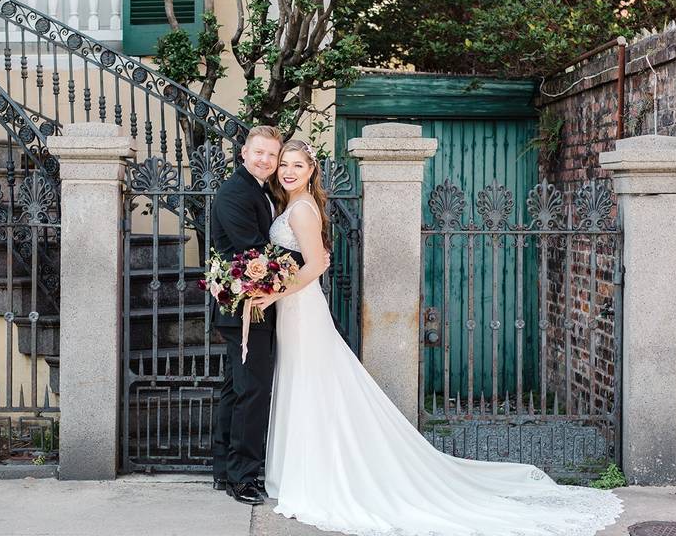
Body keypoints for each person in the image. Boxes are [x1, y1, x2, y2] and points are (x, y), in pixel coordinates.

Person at [249, 139, 624, 536]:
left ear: (311, 170)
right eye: (284, 164)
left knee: (312, 385)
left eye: (297, 165)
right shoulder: (289, 205)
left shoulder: (303, 210)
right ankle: (303, 468)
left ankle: (317, 475)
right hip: (293, 311)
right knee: (303, 383)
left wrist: (272, 292)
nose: (288, 171)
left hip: (302, 309)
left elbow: (317, 266)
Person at [210, 125, 282, 506]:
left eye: (272, 154)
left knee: (237, 389)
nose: (266, 160)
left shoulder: (259, 188)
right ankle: (243, 478)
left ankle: (225, 470)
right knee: (253, 391)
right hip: (247, 308)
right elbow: (253, 252)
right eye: (260, 153)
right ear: (244, 152)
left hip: (246, 307)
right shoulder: (237, 192)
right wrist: (303, 263)